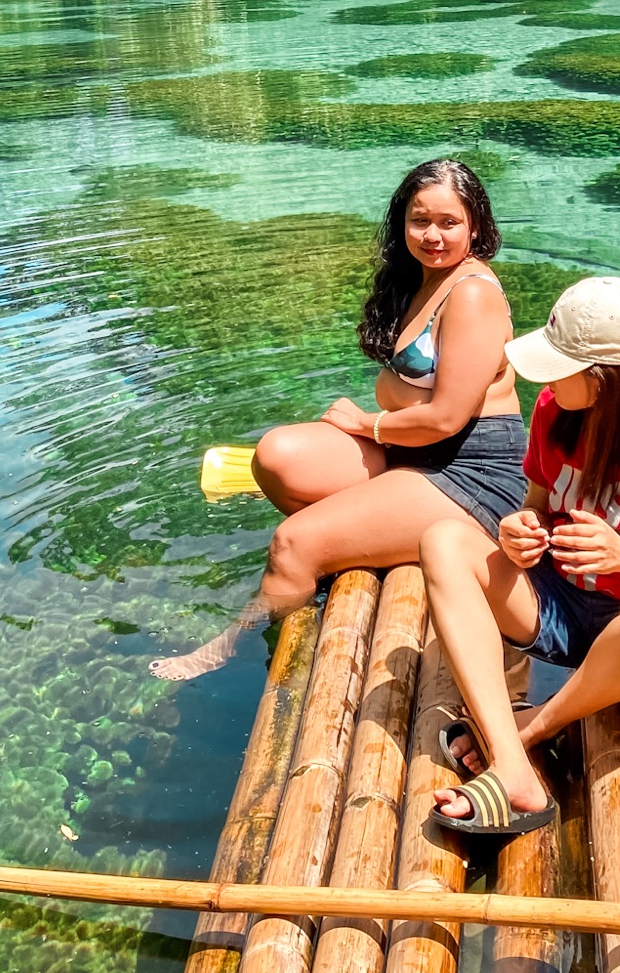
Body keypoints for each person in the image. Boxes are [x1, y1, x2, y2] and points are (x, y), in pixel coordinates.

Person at [150, 158, 526, 680]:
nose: (432, 236)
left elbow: (445, 418)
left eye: (449, 222)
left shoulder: (473, 294)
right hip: (411, 453)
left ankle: (233, 642)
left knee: (292, 542)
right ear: (402, 222)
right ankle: (351, 548)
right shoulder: (421, 279)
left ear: (476, 226)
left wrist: (366, 424)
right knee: (277, 457)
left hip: (469, 472)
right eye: (420, 220)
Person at [421, 276, 620, 835]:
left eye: (557, 367)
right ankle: (515, 768)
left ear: (603, 379)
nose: (543, 380)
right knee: (443, 540)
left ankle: (532, 728)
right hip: (564, 605)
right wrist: (521, 530)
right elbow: (537, 505)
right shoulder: (556, 409)